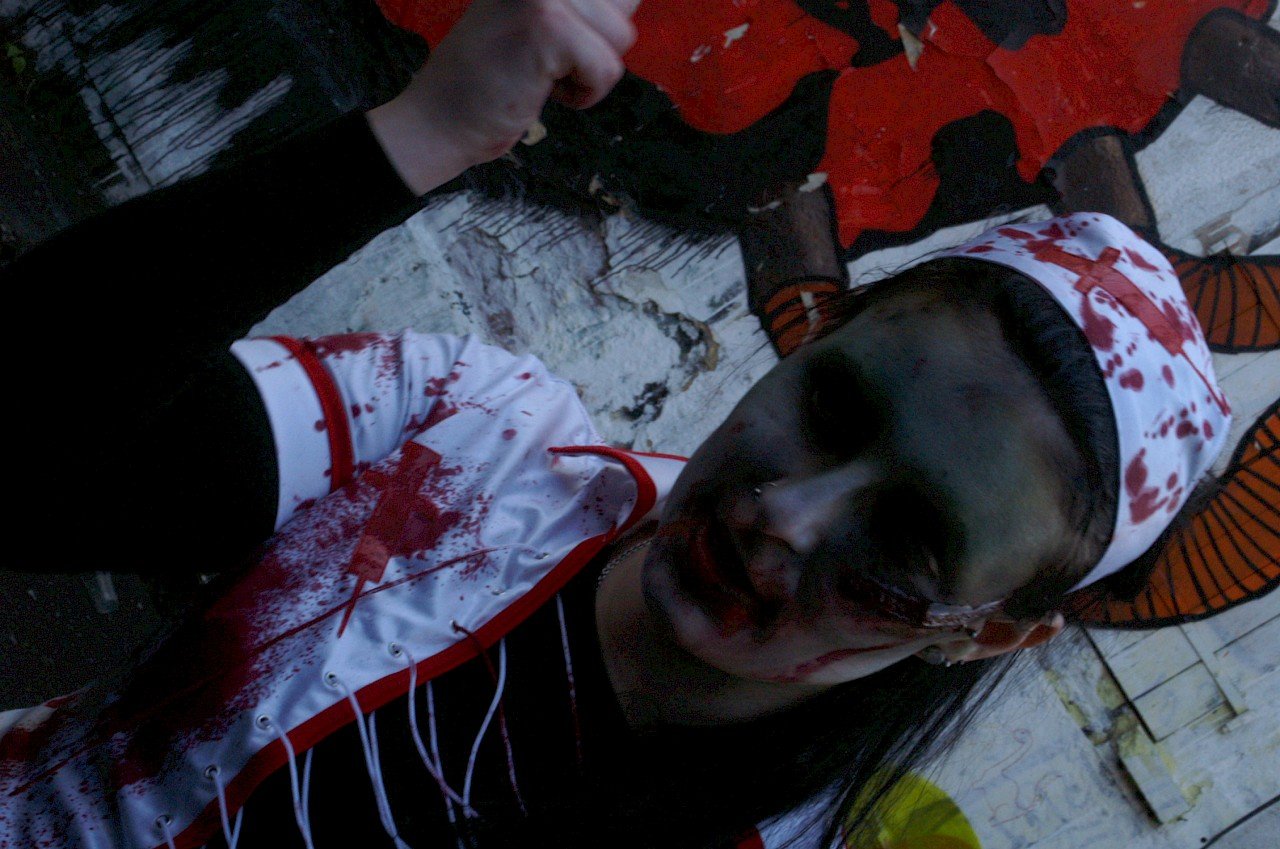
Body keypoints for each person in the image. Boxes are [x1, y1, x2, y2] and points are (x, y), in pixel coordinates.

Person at [0, 2, 1272, 848]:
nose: (785, 517)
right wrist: (417, 139)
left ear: (988, 631)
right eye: (829, 403)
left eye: (904, 542)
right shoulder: (461, 440)